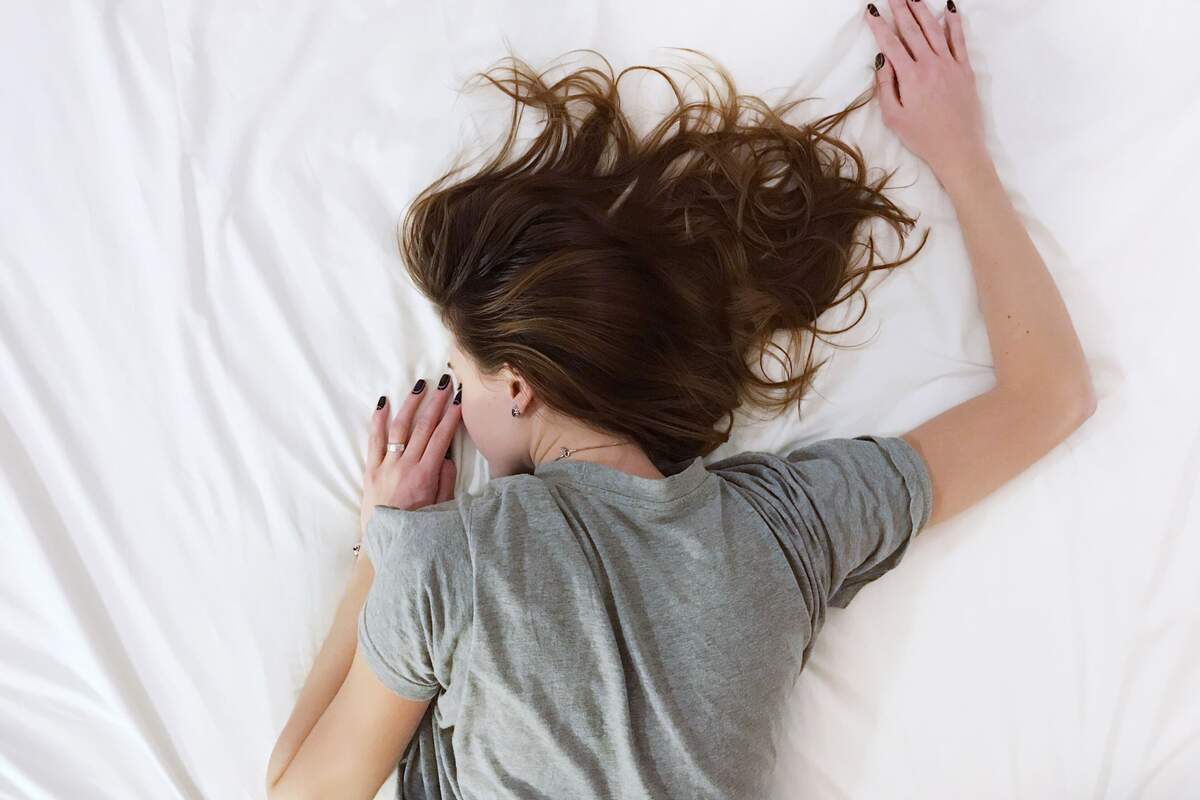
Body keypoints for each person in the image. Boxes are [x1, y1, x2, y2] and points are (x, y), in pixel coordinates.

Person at [266, 2, 1096, 797]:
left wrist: (382, 542)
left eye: (462, 369)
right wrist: (960, 157)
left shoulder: (449, 560)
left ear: (518, 384)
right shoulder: (786, 528)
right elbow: (1050, 396)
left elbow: (293, 794)